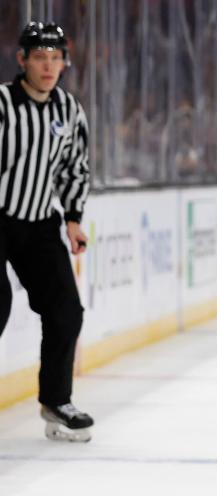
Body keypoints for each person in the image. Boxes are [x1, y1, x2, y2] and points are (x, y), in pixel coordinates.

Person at [0, 22, 93, 443]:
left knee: (66, 311)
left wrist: (73, 219)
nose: (48, 65)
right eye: (40, 57)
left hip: (39, 223)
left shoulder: (69, 110)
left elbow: (76, 166)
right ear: (22, 60)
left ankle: (56, 399)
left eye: (56, 58)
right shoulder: (2, 104)